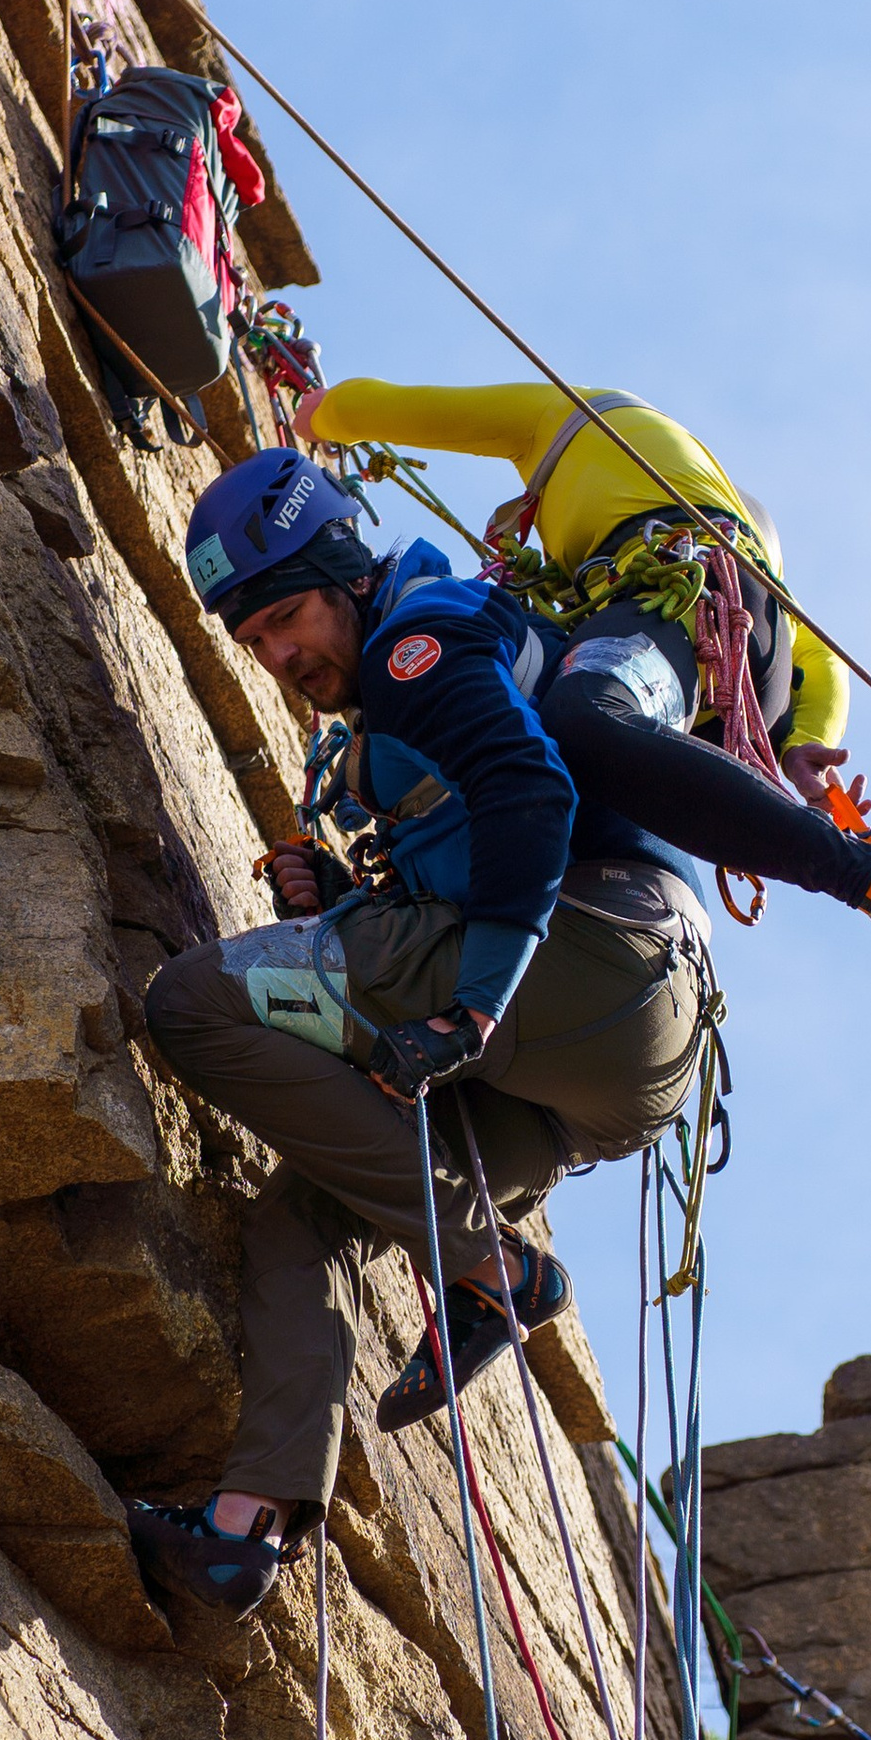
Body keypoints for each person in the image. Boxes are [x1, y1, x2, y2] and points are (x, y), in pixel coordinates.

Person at [131, 449, 716, 1620]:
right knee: (300, 1225)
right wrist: (345, 897)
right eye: (252, 638)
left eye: (287, 616)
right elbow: (468, 839)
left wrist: (468, 1002)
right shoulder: (390, 700)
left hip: (585, 952)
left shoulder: (425, 633)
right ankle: (244, 1533)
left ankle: (491, 1266)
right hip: (597, 1063)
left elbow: (528, 796)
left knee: (189, 1002)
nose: (277, 656)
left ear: (347, 570)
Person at [295, 374, 871, 990]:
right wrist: (805, 745)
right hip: (742, 670)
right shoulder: (753, 554)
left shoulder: (572, 420)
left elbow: (418, 409)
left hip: (678, 595)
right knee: (544, 743)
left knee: (579, 715)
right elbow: (821, 656)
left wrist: (321, 414)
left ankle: (866, 878)